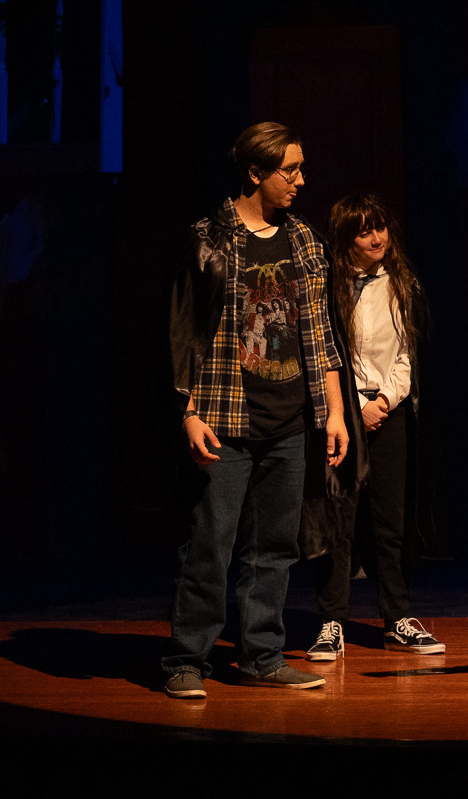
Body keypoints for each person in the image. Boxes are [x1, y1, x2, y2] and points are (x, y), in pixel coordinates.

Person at [163, 122, 349, 699]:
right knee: (210, 544)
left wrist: (335, 412)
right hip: (224, 415)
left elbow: (322, 334)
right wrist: (188, 411)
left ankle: (262, 656)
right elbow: (183, 331)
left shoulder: (305, 241)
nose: (300, 180)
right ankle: (187, 660)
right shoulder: (209, 240)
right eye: (289, 170)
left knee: (275, 549)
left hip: (290, 419)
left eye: (300, 169)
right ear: (255, 172)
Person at [304, 193, 444, 660]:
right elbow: (327, 354)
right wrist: (355, 408)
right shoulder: (330, 286)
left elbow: (406, 354)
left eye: (380, 227)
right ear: (347, 238)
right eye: (365, 231)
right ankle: (331, 621)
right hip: (342, 415)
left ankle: (396, 618)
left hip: (389, 411)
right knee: (339, 521)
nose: (377, 238)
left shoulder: (400, 282)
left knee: (389, 522)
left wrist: (384, 400)